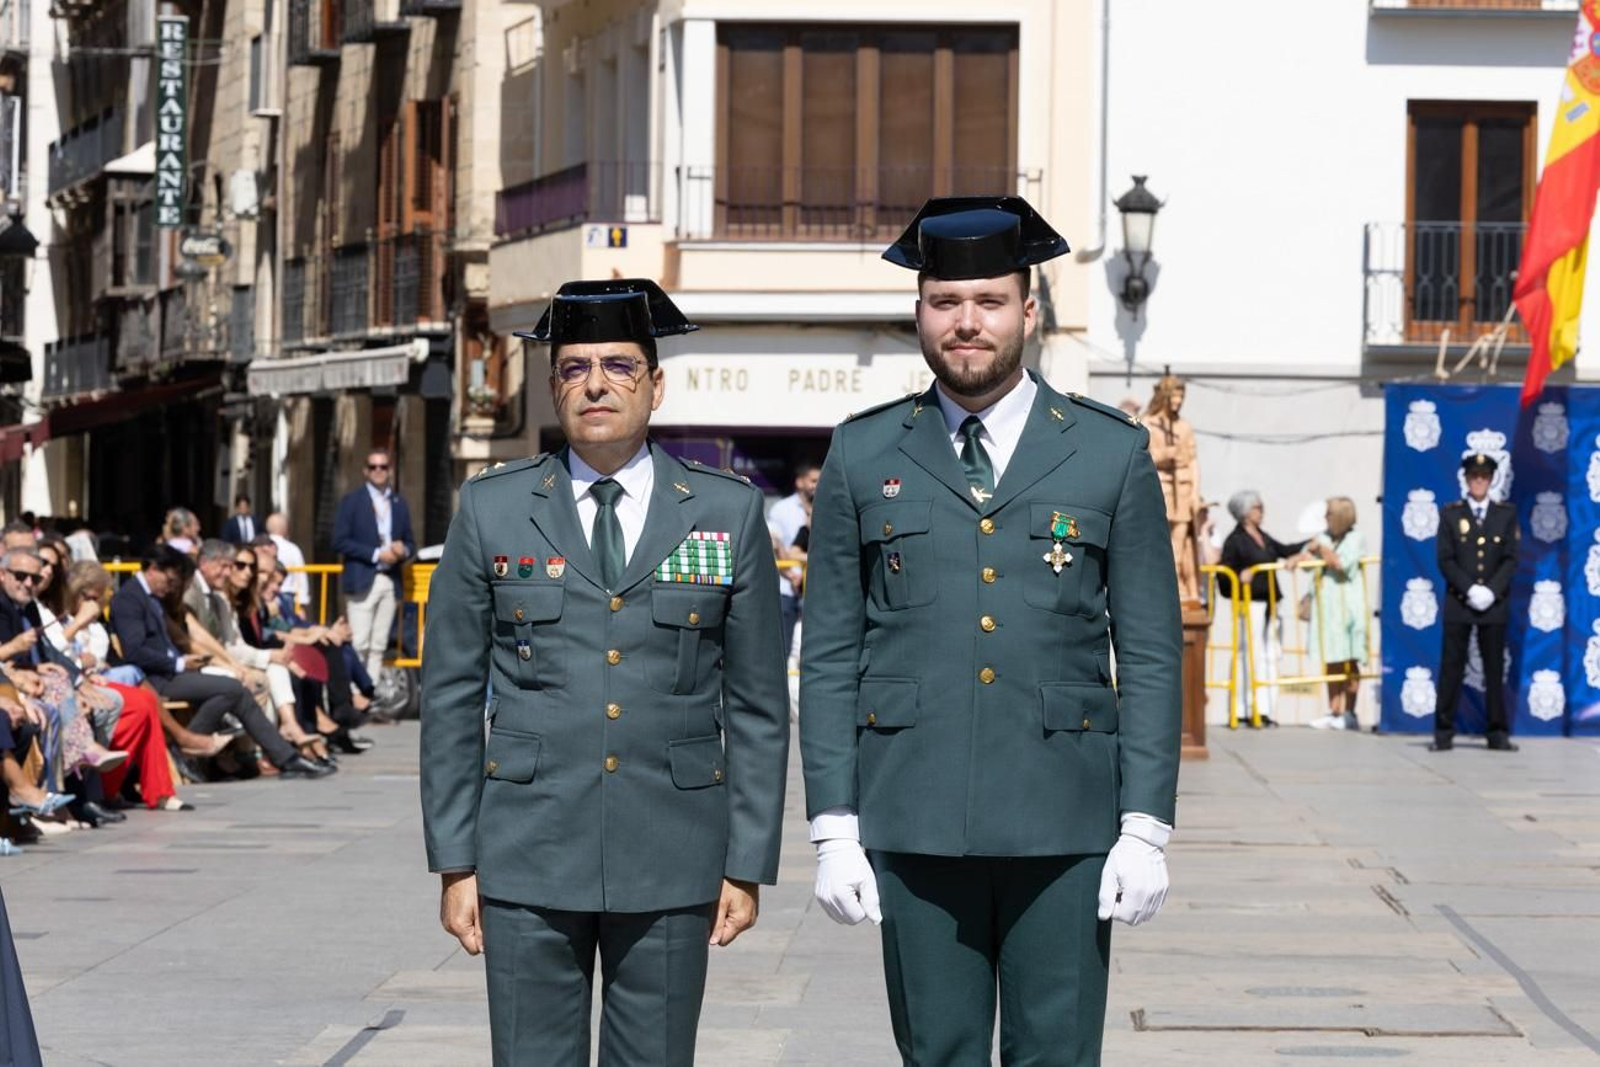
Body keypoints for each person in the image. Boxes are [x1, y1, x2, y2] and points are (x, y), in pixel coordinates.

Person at [798, 196, 1182, 1065]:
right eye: (946, 302)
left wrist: (1145, 824)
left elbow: (1153, 652)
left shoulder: (1106, 452)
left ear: (1029, 312)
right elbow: (826, 655)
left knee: (1058, 1053)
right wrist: (833, 826)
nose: (967, 323)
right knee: (939, 1052)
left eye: (991, 301)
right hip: (914, 814)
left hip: (1068, 821)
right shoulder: (864, 453)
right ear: (920, 312)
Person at [421, 278, 790, 1067]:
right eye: (574, 367)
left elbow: (758, 701)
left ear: (657, 384)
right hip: (527, 849)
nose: (595, 383)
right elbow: (450, 693)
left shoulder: (726, 512)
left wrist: (746, 861)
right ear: (552, 388)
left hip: (674, 849)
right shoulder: (492, 509)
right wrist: (457, 861)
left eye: (620, 365)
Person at [108, 545, 331, 779]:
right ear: (153, 569)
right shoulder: (129, 599)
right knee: (232, 688)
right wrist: (179, 664)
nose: (171, 587)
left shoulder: (151, 598)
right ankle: (192, 748)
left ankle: (286, 758)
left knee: (234, 690)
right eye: (170, 579)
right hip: (157, 679)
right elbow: (135, 652)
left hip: (173, 672)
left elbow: (183, 635)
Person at [1432, 453, 1519, 752]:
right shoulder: (1451, 514)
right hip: (1460, 601)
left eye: (1484, 476)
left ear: (1492, 479)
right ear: (1466, 479)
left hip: (1493, 605)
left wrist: (1491, 591)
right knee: (1451, 668)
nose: (1479, 481)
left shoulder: (1505, 514)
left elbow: (1510, 558)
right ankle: (1443, 733)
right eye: (1474, 476)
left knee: (1494, 670)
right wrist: (1469, 589)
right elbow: (1445, 559)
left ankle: (1497, 733)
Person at [1220, 490, 1309, 728]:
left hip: (1270, 603)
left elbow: (1285, 549)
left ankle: (1265, 709)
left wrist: (1311, 543)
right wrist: (1240, 576)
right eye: (1257, 507)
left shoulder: (1262, 536)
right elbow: (1224, 575)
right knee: (1247, 654)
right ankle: (1241, 709)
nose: (1262, 511)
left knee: (1270, 655)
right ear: (1245, 512)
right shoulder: (1235, 540)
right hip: (1249, 604)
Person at [334, 448, 416, 681]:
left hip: (390, 581)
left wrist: (404, 550)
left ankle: (369, 698)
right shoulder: (351, 501)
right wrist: (376, 554)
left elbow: (411, 542)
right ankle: (353, 697)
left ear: (389, 470)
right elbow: (338, 541)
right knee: (359, 642)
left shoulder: (399, 502)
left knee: (379, 646)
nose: (378, 471)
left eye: (383, 466)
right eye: (373, 467)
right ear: (365, 471)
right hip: (362, 578)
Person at [1307, 496, 1369, 731]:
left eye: (1330, 514)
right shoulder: (1324, 537)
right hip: (1328, 608)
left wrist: (1321, 549)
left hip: (1349, 606)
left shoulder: (1355, 539)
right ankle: (1333, 709)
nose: (1326, 519)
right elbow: (1305, 556)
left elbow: (1341, 563)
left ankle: (1350, 711)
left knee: (1350, 659)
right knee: (1331, 658)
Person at [1144, 374, 1204, 603]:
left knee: (1180, 542)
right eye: (1174, 399)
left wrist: (1195, 492)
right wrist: (1163, 454)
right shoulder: (1149, 422)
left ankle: (1177, 579)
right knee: (1159, 538)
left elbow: (1192, 461)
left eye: (1181, 399)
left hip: (1183, 488)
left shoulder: (1184, 427)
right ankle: (1159, 581)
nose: (1178, 404)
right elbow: (1144, 456)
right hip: (1161, 487)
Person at [767, 460, 819, 662]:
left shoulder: (827, 506)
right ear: (800, 482)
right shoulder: (782, 509)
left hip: (813, 589)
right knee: (783, 646)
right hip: (786, 587)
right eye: (813, 480)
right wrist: (790, 573)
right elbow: (773, 542)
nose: (817, 485)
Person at [266, 512, 311, 614]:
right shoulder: (293, 549)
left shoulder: (261, 547)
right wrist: (302, 602)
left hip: (278, 596)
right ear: (285, 528)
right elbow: (301, 576)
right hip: (287, 596)